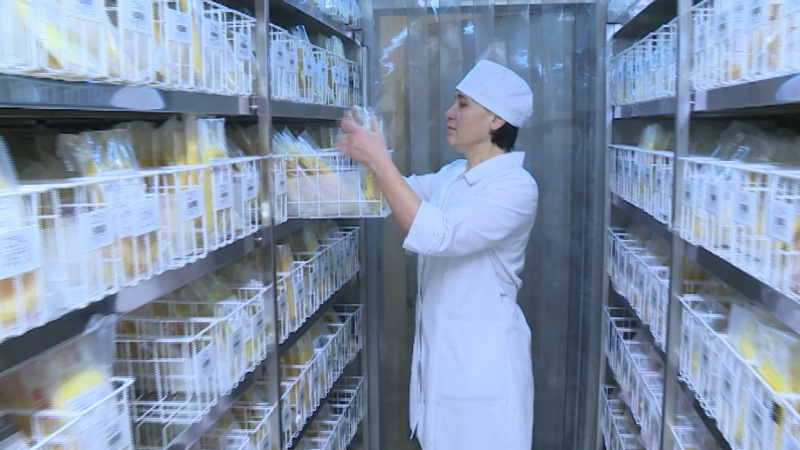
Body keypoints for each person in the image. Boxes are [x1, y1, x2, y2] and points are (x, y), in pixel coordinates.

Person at [336, 59, 538, 450]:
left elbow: (438, 235)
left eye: (462, 104)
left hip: (483, 372)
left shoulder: (516, 187)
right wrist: (366, 150)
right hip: (445, 367)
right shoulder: (453, 176)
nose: (448, 113)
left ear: (495, 119)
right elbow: (394, 196)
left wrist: (378, 158)